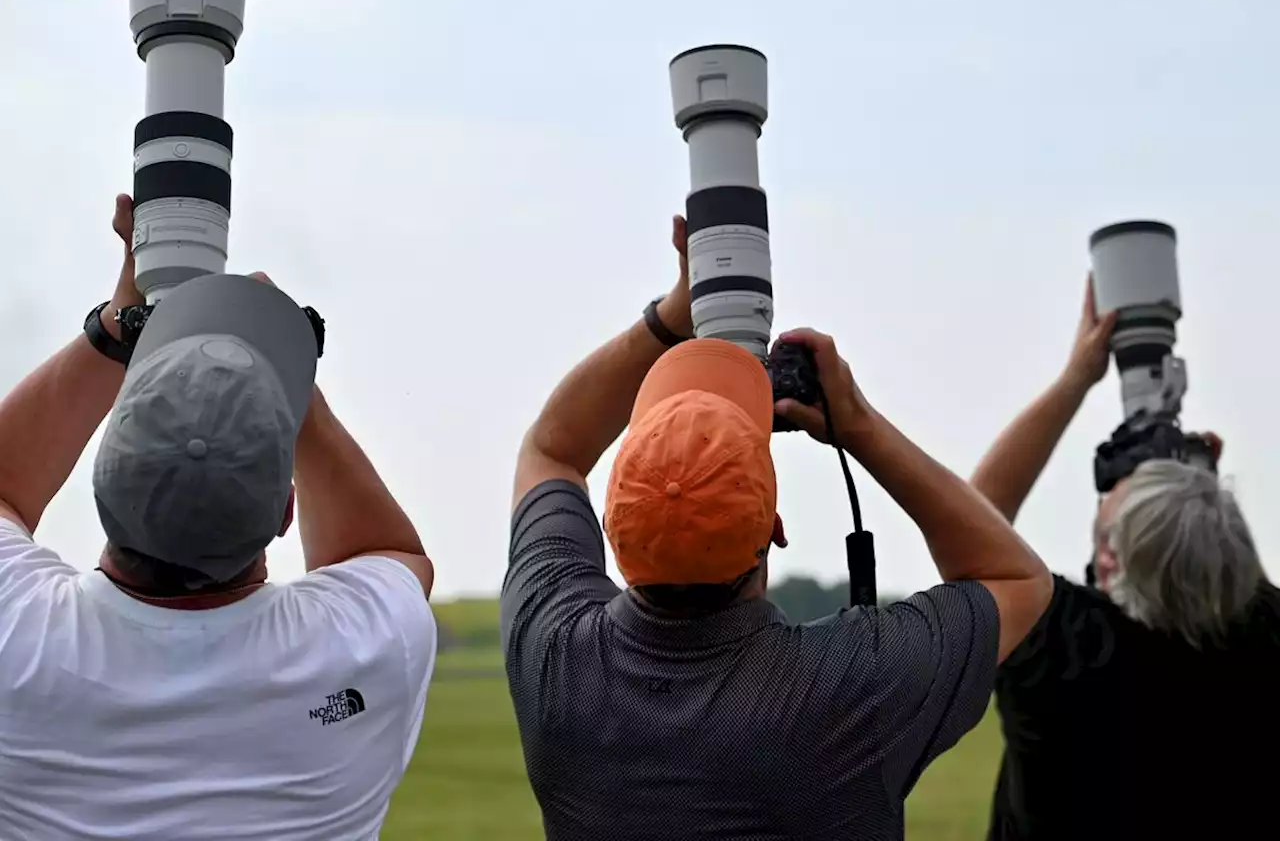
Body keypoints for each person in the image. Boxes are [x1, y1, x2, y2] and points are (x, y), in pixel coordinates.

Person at [502, 214, 1053, 841]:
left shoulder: (556, 657)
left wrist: (672, 316)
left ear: (612, 524)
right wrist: (861, 427)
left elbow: (553, 450)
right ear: (774, 530)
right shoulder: (846, 689)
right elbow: (1016, 578)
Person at [0, 195, 437, 840]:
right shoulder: (370, 647)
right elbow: (385, 554)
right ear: (285, 511)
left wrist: (121, 325)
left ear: (100, 478)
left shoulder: (18, 637)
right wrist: (283, 372)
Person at [973, 279, 1280, 841]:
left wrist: (1076, 378)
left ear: (1111, 565)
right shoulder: (1262, 642)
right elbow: (1241, 579)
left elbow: (978, 512)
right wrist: (1196, 502)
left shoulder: (1065, 654)